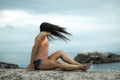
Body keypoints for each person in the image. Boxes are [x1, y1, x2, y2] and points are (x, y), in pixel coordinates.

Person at [27, 22, 92, 71]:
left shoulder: (45, 36)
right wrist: (31, 63)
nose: (51, 31)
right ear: (46, 28)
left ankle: (80, 65)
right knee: (57, 63)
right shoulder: (42, 34)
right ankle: (80, 67)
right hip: (38, 63)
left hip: (45, 60)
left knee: (60, 52)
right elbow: (34, 48)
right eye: (50, 29)